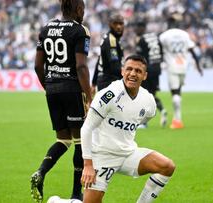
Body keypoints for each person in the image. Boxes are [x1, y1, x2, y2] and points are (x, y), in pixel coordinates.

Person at [81, 55, 176, 203]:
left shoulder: (148, 100)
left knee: (167, 166)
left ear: (144, 76)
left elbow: (145, 117)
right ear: (122, 71)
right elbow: (86, 128)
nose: (133, 74)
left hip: (128, 154)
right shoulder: (109, 94)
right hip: (102, 156)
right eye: (129, 69)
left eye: (138, 71)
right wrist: (88, 165)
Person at [31, 0, 92, 202]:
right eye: (83, 8)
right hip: (72, 89)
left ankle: (40, 172)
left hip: (52, 88)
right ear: (78, 8)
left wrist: (48, 86)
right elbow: (81, 67)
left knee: (63, 140)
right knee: (80, 141)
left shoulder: (46, 28)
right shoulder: (80, 30)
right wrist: (89, 96)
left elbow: (38, 66)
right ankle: (76, 194)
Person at [159, 16, 203, 129]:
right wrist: (198, 65)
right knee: (179, 91)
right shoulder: (185, 34)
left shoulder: (164, 36)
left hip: (172, 66)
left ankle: (177, 120)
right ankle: (178, 118)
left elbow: (158, 51)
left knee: (175, 93)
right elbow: (192, 51)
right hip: (183, 66)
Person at [134, 18, 167, 128]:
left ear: (142, 28)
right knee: (151, 94)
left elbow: (140, 58)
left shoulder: (141, 40)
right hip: (157, 69)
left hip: (148, 70)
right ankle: (162, 110)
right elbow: (161, 53)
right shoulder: (155, 37)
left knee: (143, 94)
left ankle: (144, 122)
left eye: (137, 28)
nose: (136, 30)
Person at [91, 12, 124, 94]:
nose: (118, 27)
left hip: (104, 81)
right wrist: (126, 77)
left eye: (121, 24)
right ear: (110, 24)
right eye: (115, 24)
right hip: (109, 82)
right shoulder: (111, 41)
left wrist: (94, 82)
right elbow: (115, 66)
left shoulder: (109, 38)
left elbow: (99, 60)